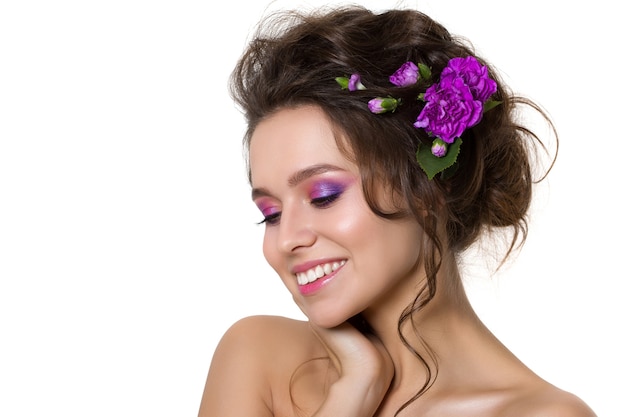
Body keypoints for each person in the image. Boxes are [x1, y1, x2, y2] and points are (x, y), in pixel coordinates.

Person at [198, 5, 596, 417]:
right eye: (271, 213)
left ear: (427, 187)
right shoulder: (257, 358)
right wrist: (352, 390)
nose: (287, 239)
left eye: (324, 195)